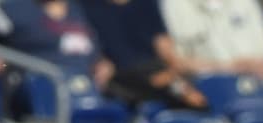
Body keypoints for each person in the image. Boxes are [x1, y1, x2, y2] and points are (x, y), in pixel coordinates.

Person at [78, 0, 208, 109]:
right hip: (119, 75)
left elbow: (164, 46)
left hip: (151, 69)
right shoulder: (87, 6)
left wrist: (174, 69)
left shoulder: (146, 3)